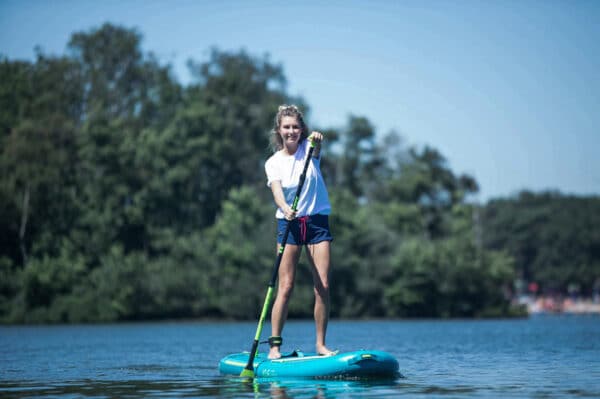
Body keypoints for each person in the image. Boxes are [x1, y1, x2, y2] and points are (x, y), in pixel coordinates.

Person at [264, 104, 336, 360]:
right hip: (289, 224)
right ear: (279, 130)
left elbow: (316, 144)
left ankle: (320, 345)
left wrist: (316, 138)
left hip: (316, 223)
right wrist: (285, 208)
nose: (291, 131)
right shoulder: (273, 163)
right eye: (287, 127)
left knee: (323, 285)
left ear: (301, 129)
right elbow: (276, 191)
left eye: (296, 127)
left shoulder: (309, 150)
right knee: (286, 286)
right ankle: (274, 347)